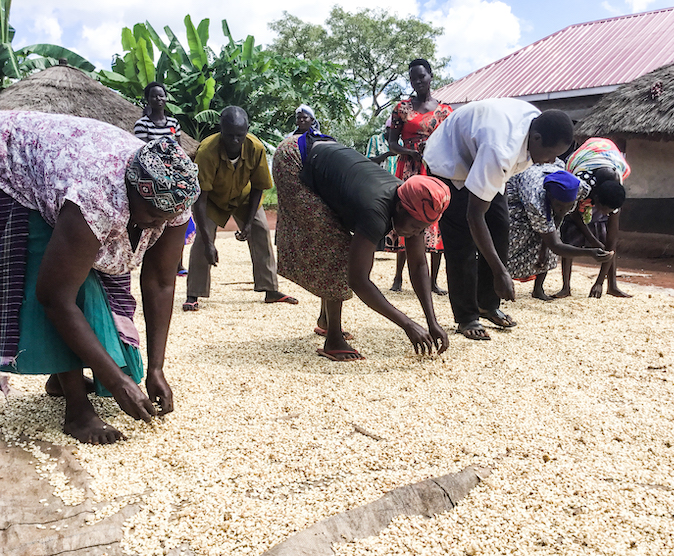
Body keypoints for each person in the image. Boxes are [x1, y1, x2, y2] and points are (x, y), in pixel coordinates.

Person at [0, 111, 199, 444]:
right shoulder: (96, 195)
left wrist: (156, 369)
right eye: (150, 215)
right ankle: (77, 411)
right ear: (130, 192)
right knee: (62, 279)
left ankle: (60, 378)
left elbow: (161, 282)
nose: (155, 226)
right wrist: (118, 381)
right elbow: (54, 296)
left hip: (70, 165)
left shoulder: (175, 199)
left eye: (165, 218)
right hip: (13, 165)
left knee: (92, 279)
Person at [272, 131, 450, 361]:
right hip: (294, 158)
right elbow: (358, 280)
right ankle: (333, 338)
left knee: (337, 240)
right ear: (400, 209)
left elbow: (418, 266)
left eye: (422, 228)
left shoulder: (413, 205)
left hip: (321, 153)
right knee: (336, 246)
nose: (417, 232)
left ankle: (326, 319)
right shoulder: (375, 211)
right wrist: (406, 324)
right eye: (416, 227)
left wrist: (431, 322)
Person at [423, 99, 575, 340]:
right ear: (536, 139)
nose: (550, 161)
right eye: (550, 154)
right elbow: (474, 215)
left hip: (481, 157)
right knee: (462, 240)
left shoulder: (537, 123)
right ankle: (467, 316)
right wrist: (500, 271)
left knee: (501, 226)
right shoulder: (501, 149)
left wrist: (498, 268)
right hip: (450, 162)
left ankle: (487, 303)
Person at [184, 106, 297, 311]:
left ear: (247, 131)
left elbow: (258, 187)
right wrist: (209, 242)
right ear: (221, 130)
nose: (235, 141)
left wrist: (249, 222)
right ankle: (193, 293)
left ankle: (270, 289)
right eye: (230, 135)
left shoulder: (256, 148)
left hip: (244, 197)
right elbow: (200, 197)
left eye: (240, 135)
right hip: (212, 200)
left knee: (261, 229)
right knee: (203, 239)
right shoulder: (207, 150)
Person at [385, 58, 453, 295]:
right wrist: (410, 152)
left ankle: (433, 280)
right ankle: (398, 278)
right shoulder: (401, 109)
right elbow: (392, 144)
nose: (417, 82)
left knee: (436, 218)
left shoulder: (445, 111)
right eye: (413, 78)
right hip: (410, 170)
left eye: (421, 77)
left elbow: (450, 143)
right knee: (408, 217)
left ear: (431, 76)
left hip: (435, 170)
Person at [506, 167, 614, 299]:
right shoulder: (536, 202)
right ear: (550, 197)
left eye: (569, 206)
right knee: (514, 241)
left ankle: (538, 289)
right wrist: (589, 252)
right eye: (560, 206)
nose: (564, 211)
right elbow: (555, 246)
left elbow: (556, 224)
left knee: (549, 247)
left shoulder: (580, 188)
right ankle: (497, 281)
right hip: (515, 203)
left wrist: (545, 250)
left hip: (545, 202)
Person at [556, 137, 631, 299]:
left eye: (609, 212)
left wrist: (599, 283)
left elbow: (611, 242)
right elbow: (574, 215)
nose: (606, 214)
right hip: (585, 160)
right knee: (569, 236)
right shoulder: (581, 185)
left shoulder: (615, 191)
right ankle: (565, 287)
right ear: (595, 200)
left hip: (608, 157)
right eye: (604, 210)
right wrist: (592, 240)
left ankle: (612, 286)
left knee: (606, 238)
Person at [134, 81, 193, 277]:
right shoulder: (142, 125)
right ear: (148, 99)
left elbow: (178, 148)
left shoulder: (173, 124)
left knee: (177, 220)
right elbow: (142, 151)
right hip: (151, 178)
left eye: (161, 95)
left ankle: (178, 263)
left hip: (173, 179)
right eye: (154, 96)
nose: (158, 99)